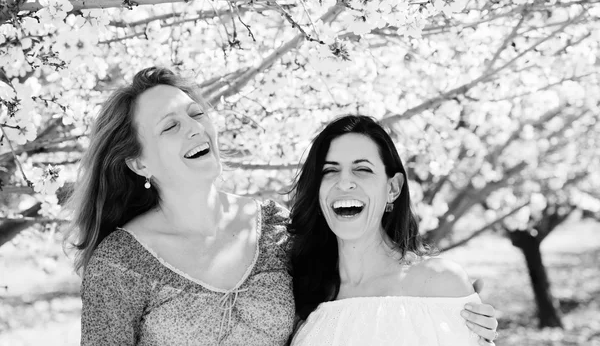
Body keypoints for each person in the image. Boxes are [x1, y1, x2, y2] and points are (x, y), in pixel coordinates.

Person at [67, 67, 498, 345]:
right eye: (171, 126)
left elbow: (359, 288)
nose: (195, 130)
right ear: (138, 160)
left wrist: (446, 315)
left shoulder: (274, 227)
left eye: (197, 114)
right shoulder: (120, 263)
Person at [288, 115, 498, 346]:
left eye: (362, 169)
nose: (344, 182)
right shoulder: (300, 296)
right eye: (329, 171)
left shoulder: (438, 284)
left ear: (393, 188)